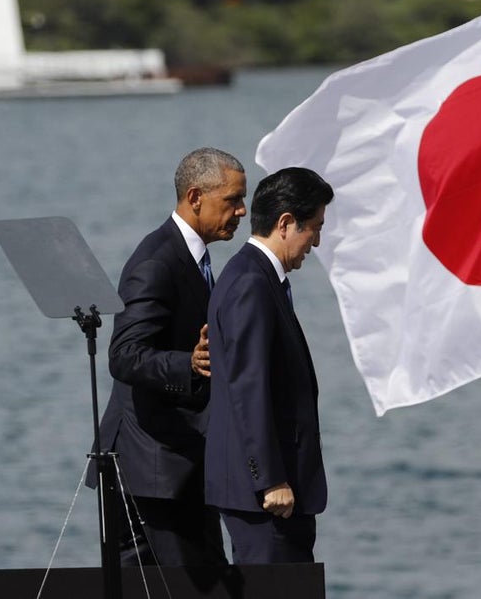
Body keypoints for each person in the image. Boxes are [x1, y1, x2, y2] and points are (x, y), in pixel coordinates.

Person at [96, 147, 246, 567]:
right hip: (154, 472)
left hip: (179, 466)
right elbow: (124, 355)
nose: (241, 211)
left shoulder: (195, 256)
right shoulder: (157, 261)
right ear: (195, 197)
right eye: (232, 200)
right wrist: (189, 364)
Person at [205, 166, 335, 564]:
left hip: (270, 492)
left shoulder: (256, 277)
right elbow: (249, 387)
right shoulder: (251, 283)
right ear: (285, 223)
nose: (315, 241)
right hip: (266, 497)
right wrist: (271, 478)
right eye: (313, 227)